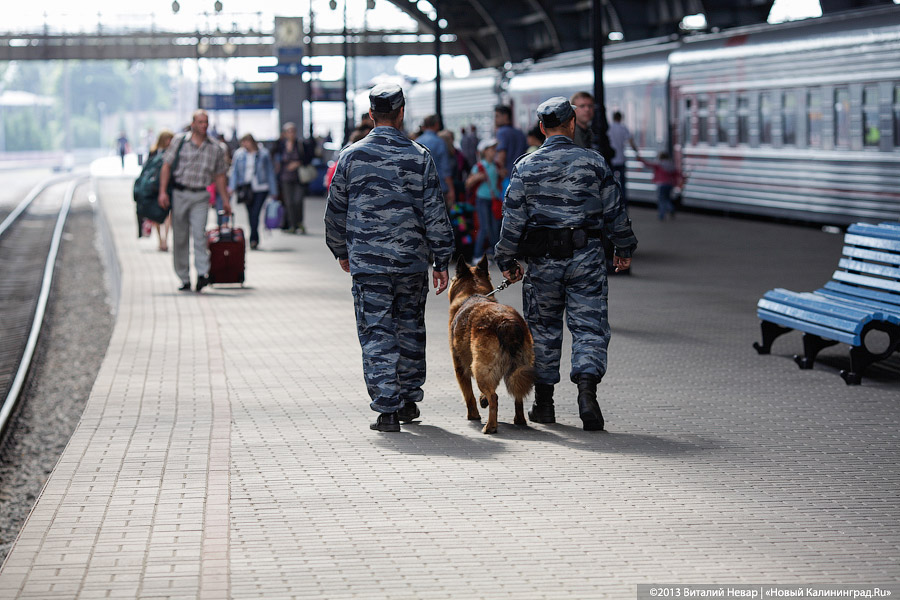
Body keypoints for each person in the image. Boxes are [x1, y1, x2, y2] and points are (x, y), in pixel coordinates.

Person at [494, 97, 637, 431]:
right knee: (589, 328)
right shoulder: (594, 163)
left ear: (542, 128)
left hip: (543, 262)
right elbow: (616, 210)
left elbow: (512, 220)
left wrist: (506, 257)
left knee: (542, 330)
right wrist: (624, 247)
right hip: (586, 257)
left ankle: (544, 405)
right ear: (572, 124)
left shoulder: (525, 166)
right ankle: (587, 393)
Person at [324, 83, 454, 433]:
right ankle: (409, 400)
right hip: (411, 263)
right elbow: (435, 213)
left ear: (370, 115)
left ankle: (387, 410)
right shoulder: (419, 155)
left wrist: (341, 250)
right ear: (401, 113)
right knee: (410, 328)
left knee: (377, 331)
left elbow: (335, 210)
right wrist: (442, 260)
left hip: (369, 264)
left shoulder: (350, 156)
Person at [158, 109, 231, 293]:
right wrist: (162, 192)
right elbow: (166, 166)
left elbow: (220, 176)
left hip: (200, 195)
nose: (204, 125)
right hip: (180, 193)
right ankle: (183, 277)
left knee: (199, 235)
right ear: (193, 124)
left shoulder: (215, 148)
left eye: (206, 122)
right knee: (180, 237)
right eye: (200, 122)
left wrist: (225, 200)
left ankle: (202, 274)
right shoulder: (179, 142)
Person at [229, 133, 278, 250]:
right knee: (250, 214)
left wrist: (273, 190)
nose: (244, 144)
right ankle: (253, 236)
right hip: (245, 188)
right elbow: (234, 171)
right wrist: (231, 187)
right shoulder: (239, 154)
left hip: (261, 188)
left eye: (246, 142)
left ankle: (253, 239)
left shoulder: (263, 154)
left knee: (255, 213)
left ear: (251, 142)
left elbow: (270, 172)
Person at [466, 138, 502, 262]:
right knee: (484, 227)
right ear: (485, 151)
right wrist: (477, 178)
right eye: (491, 149)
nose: (494, 152)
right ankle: (477, 255)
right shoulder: (479, 166)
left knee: (494, 228)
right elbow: (468, 183)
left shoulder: (495, 165)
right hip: (482, 199)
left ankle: (494, 253)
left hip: (493, 200)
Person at [272, 122, 307, 234]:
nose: (291, 133)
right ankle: (292, 224)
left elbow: (308, 158)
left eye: (293, 131)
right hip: (285, 177)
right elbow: (273, 152)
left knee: (298, 201)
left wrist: (298, 163)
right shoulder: (282, 144)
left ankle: (299, 223)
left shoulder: (300, 144)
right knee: (289, 202)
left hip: (299, 178)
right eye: (288, 131)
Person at [417, 115, 456, 205]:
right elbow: (445, 168)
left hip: (421, 188)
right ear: (437, 124)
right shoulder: (440, 142)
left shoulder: (417, 141)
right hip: (438, 188)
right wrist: (451, 189)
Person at [147, 129, 174, 252]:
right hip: (155, 186)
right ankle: (160, 239)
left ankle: (165, 239)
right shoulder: (154, 152)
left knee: (168, 214)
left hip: (169, 186)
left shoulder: (172, 152)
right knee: (156, 214)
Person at [607, 110, 639, 208]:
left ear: (613, 118)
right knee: (622, 183)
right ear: (621, 118)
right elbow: (630, 141)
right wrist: (636, 151)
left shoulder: (609, 129)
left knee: (610, 183)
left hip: (611, 160)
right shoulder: (623, 128)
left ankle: (612, 204)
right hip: (621, 159)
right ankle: (624, 204)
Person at [639, 151, 684, 221]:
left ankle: (662, 215)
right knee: (667, 199)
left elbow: (648, 164)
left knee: (661, 200)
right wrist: (683, 177)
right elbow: (677, 173)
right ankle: (671, 208)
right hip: (669, 184)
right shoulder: (671, 165)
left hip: (661, 184)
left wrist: (640, 159)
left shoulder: (658, 164)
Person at [493, 105, 527, 180]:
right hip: (521, 174)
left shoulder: (501, 132)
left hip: (508, 176)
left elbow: (501, 156)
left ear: (505, 116)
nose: (495, 119)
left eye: (497, 116)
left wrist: (499, 170)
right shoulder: (520, 133)